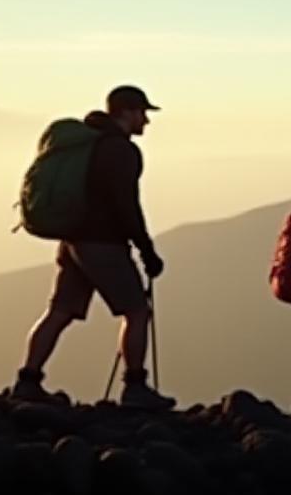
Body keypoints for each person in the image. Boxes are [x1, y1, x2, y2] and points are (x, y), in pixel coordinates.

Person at [13, 85, 175, 410]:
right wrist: (146, 250)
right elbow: (126, 204)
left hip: (73, 240)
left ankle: (27, 381)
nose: (146, 120)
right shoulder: (121, 151)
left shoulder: (88, 144)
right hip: (103, 244)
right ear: (126, 112)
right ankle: (135, 388)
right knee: (137, 312)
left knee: (59, 311)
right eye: (142, 112)